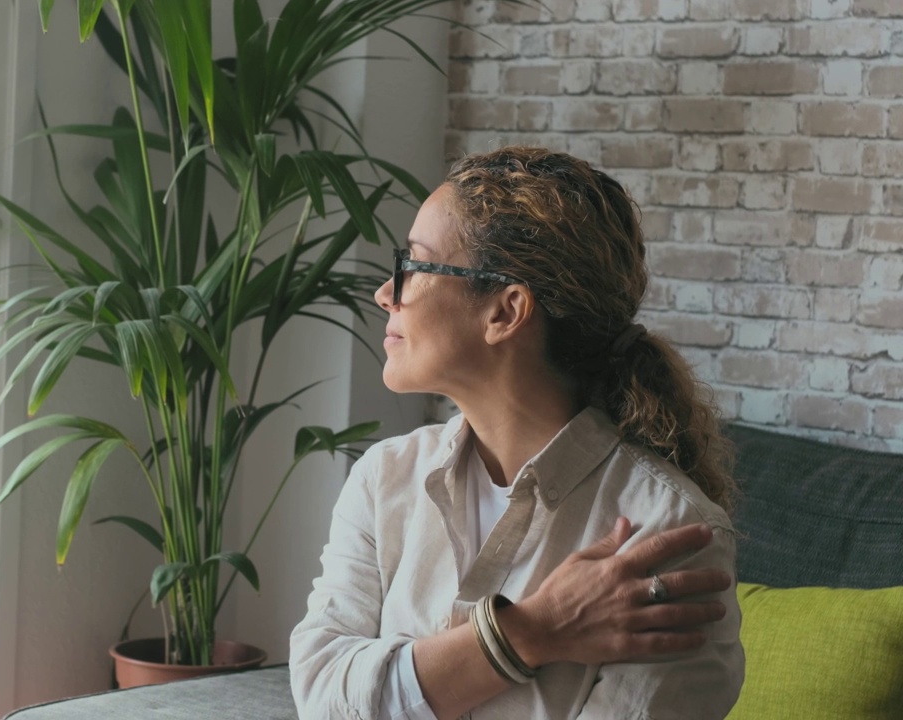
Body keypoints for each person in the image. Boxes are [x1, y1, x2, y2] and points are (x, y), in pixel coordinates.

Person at [290, 147, 744, 720]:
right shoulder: (386, 478)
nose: (386, 292)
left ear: (504, 312)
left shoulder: (670, 534)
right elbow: (322, 694)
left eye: (414, 264)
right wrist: (528, 633)